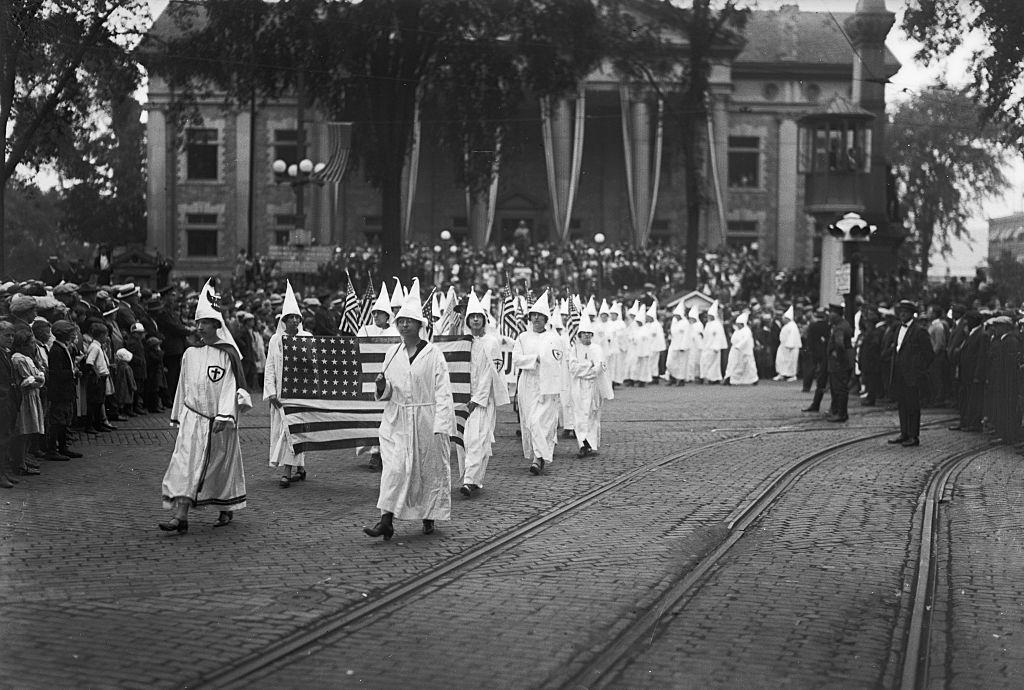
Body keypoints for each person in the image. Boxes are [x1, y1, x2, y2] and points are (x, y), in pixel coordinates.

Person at [363, 279, 455, 540]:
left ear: (419, 325)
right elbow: (389, 390)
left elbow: (443, 391)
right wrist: (382, 385)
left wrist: (442, 425)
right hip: (398, 419)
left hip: (427, 418)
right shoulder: (392, 353)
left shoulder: (434, 354)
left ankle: (428, 515)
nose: (404, 325)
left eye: (409, 321)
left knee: (426, 469)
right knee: (394, 469)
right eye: (401, 321)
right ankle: (386, 519)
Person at [160, 280, 252, 534]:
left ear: (217, 325)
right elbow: (183, 387)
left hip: (218, 422)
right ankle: (180, 516)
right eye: (197, 322)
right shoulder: (190, 354)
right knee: (185, 464)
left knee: (218, 467)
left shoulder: (226, 355)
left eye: (205, 323)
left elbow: (229, 387)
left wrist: (225, 415)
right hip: (192, 420)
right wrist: (178, 416)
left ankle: (226, 506)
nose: (199, 327)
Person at [456, 291, 511, 497]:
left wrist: (477, 399)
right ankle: (473, 478)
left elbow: (491, 373)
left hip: (482, 400)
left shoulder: (491, 342)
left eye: (479, 316)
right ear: (468, 320)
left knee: (478, 439)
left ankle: (469, 480)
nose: (476, 320)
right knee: (466, 441)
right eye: (472, 317)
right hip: (463, 398)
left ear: (484, 319)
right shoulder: (463, 341)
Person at [511, 289, 564, 475]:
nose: (536, 319)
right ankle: (538, 455)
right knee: (530, 422)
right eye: (533, 315)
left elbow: (559, 361)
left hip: (547, 384)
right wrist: (535, 359)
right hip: (528, 382)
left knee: (541, 422)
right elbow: (516, 359)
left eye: (540, 316)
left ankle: (538, 458)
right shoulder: (523, 338)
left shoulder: (554, 338)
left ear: (546, 319)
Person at [264, 280, 308, 488]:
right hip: (281, 393)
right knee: (284, 430)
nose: (293, 321)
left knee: (293, 430)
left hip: (299, 392)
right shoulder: (275, 340)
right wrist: (271, 392)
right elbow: (270, 366)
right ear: (283, 320)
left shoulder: (306, 338)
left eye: (296, 317)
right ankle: (299, 467)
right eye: (289, 318)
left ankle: (287, 471)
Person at [886, 300, 934, 446]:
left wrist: (918, 369)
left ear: (911, 313)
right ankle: (904, 432)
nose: (902, 314)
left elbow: (929, 354)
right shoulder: (898, 329)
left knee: (913, 405)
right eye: (900, 312)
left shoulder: (919, 331)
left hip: (912, 375)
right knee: (902, 404)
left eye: (905, 312)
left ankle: (913, 435)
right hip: (899, 373)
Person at [566, 312, 613, 457]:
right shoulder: (574, 350)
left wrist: (585, 369)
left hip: (593, 387)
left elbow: (598, 368)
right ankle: (582, 443)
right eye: (583, 334)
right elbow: (573, 368)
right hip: (578, 387)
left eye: (589, 334)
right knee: (579, 415)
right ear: (579, 335)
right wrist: (589, 366)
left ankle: (591, 444)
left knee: (592, 415)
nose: (586, 336)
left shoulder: (597, 349)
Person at [10, 328, 46, 478]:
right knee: (23, 431)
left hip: (32, 397)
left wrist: (38, 378)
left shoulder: (27, 357)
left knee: (29, 430)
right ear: (22, 345)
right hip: (25, 399)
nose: (34, 346)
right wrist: (38, 379)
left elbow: (38, 376)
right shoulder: (19, 359)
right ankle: (20, 463)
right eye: (31, 343)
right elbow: (29, 381)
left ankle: (23, 459)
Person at [46, 320, 82, 460]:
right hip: (60, 392)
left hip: (66, 391)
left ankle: (62, 447)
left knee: (64, 420)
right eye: (72, 333)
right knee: (57, 420)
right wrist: (72, 373)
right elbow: (57, 373)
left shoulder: (63, 348)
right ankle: (52, 450)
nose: (74, 335)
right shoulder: (56, 351)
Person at [825, 303, 853, 422]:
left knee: (839, 389)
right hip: (843, 362)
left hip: (838, 364)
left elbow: (840, 344)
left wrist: (837, 355)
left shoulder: (840, 327)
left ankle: (841, 414)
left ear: (837, 314)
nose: (829, 315)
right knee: (840, 388)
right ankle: (838, 411)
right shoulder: (843, 324)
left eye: (832, 313)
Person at [724, 311, 758, 385]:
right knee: (732, 365)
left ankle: (753, 379)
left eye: (739, 324)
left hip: (744, 351)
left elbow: (745, 340)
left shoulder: (746, 331)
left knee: (748, 367)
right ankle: (730, 379)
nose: (737, 325)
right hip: (735, 351)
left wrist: (738, 346)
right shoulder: (737, 331)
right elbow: (733, 339)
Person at [699, 301, 727, 383]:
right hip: (707, 347)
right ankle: (708, 377)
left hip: (714, 348)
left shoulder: (717, 324)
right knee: (706, 362)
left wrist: (716, 347)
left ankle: (714, 378)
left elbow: (719, 336)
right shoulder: (708, 324)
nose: (709, 317)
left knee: (714, 364)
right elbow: (706, 336)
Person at [773, 306, 801, 381]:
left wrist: (789, 345)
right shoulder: (788, 325)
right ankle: (782, 374)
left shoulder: (792, 326)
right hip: (784, 347)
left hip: (789, 347)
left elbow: (792, 337)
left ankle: (792, 375)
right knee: (781, 360)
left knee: (791, 362)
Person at [665, 301, 689, 386]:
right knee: (670, 363)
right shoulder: (674, 321)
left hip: (682, 346)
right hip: (673, 345)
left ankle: (680, 379)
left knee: (681, 363)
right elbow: (672, 332)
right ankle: (672, 377)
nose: (675, 316)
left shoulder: (685, 323)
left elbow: (686, 335)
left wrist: (683, 346)